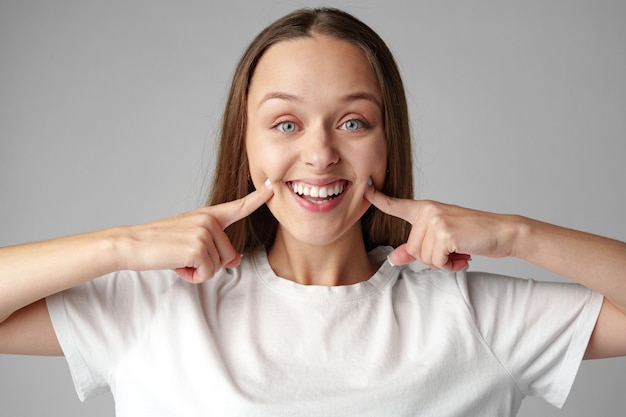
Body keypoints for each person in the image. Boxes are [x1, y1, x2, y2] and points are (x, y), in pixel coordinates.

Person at [0, 7, 625, 416]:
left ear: (388, 142)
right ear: (245, 143)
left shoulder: (471, 315)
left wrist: (517, 233)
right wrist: (122, 247)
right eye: (286, 123)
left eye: (353, 122)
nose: (320, 152)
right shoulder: (154, 307)